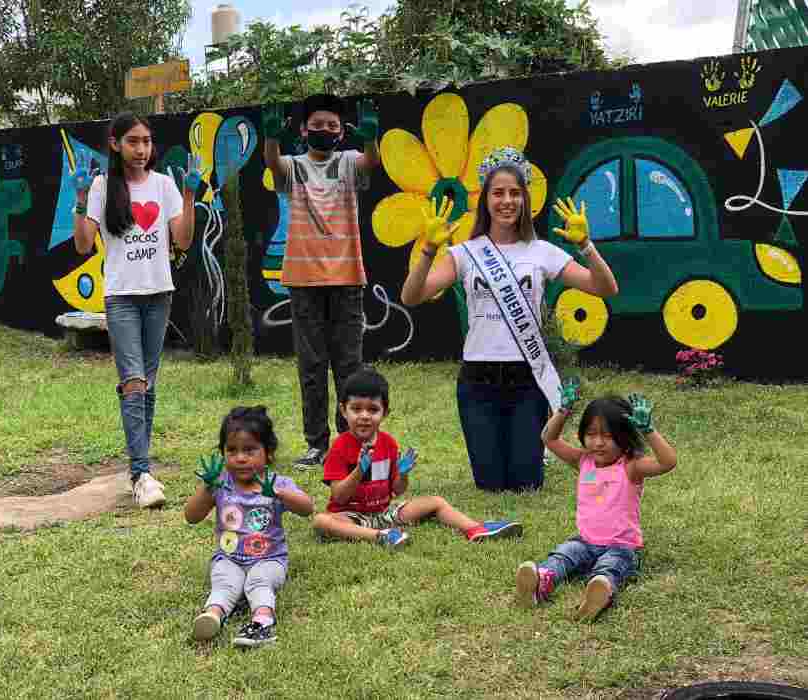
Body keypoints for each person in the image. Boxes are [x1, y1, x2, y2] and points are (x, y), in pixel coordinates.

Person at [400, 146, 620, 492]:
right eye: (498, 193)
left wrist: (587, 245)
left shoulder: (542, 251)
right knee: (489, 483)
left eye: (515, 193)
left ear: (525, 200)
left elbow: (605, 288)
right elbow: (412, 296)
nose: (507, 201)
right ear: (485, 200)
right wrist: (428, 250)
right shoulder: (465, 253)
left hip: (525, 378)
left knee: (525, 483)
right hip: (478, 378)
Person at [72, 112, 200, 508]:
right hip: (122, 297)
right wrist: (78, 200)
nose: (142, 149)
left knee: (149, 381)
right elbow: (81, 245)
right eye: (133, 141)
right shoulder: (100, 186)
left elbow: (182, 239)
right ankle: (141, 473)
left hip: (160, 293)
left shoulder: (163, 186)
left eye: (146, 141)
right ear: (115, 144)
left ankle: (142, 469)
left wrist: (190, 194)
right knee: (133, 381)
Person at [262, 94, 382, 470]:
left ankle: (350, 442)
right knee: (311, 366)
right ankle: (317, 444)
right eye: (317, 125)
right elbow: (273, 163)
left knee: (349, 364)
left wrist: (371, 138)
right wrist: (269, 138)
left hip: (347, 278)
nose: (324, 130)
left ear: (342, 132)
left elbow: (371, 162)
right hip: (303, 281)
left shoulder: (349, 162)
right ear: (303, 129)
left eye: (332, 125)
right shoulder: (294, 167)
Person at [515, 380, 677, 620]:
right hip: (584, 540)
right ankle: (541, 579)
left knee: (609, 567)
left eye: (608, 436)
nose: (598, 442)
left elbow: (668, 462)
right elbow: (548, 439)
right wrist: (563, 411)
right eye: (591, 434)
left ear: (624, 437)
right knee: (563, 556)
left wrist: (649, 430)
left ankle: (601, 590)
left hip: (621, 546)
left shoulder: (631, 466)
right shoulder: (583, 461)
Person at [313, 367, 522, 546]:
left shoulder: (388, 443)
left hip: (385, 514)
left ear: (385, 412)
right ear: (343, 410)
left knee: (436, 502)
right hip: (351, 517)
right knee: (322, 521)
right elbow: (339, 496)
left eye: (373, 409)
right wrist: (359, 471)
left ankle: (475, 529)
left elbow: (397, 490)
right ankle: (379, 538)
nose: (364, 416)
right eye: (356, 409)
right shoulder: (339, 447)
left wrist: (402, 475)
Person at [185, 406, 314, 647]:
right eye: (231, 450)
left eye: (250, 450)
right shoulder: (221, 484)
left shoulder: (277, 483)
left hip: (269, 559)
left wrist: (278, 493)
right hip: (229, 557)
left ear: (269, 453)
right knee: (224, 582)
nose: (240, 458)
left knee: (258, 581)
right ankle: (213, 615)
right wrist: (206, 487)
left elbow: (307, 508)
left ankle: (262, 623)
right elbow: (191, 516)